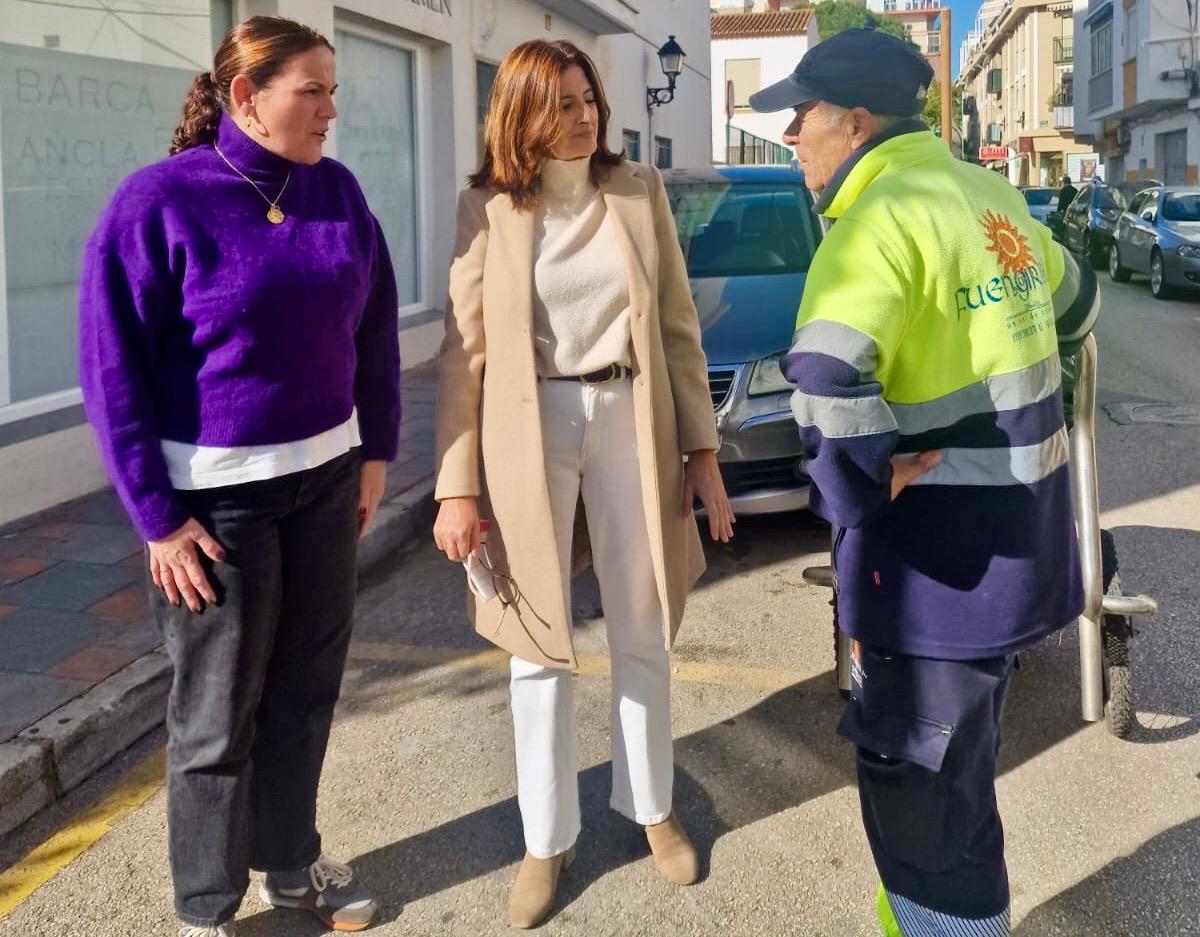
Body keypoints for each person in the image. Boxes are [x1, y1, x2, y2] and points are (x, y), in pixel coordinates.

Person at [749, 28, 1099, 937]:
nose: (792, 137)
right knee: (964, 777)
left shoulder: (874, 221)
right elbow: (1079, 303)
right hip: (1019, 552)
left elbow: (824, 382)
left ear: (854, 122)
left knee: (923, 799)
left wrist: (861, 488)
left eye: (802, 117)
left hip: (932, 574)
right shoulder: (989, 195)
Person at [78, 16, 400, 937]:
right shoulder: (157, 204)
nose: (331, 110)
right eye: (314, 90)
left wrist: (375, 450)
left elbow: (372, 333)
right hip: (218, 509)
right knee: (216, 716)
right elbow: (113, 372)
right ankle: (206, 910)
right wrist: (156, 518)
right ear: (246, 98)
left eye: (334, 90)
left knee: (306, 687)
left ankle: (290, 869)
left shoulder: (336, 193)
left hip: (328, 483)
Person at [432, 39, 734, 930]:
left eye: (588, 97)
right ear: (523, 114)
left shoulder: (637, 193)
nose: (585, 114)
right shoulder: (488, 208)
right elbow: (464, 356)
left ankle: (653, 808)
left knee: (641, 625)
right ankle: (545, 836)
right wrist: (457, 486)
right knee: (538, 640)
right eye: (562, 102)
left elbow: (679, 327)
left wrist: (703, 450)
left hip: (632, 415)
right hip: (532, 429)